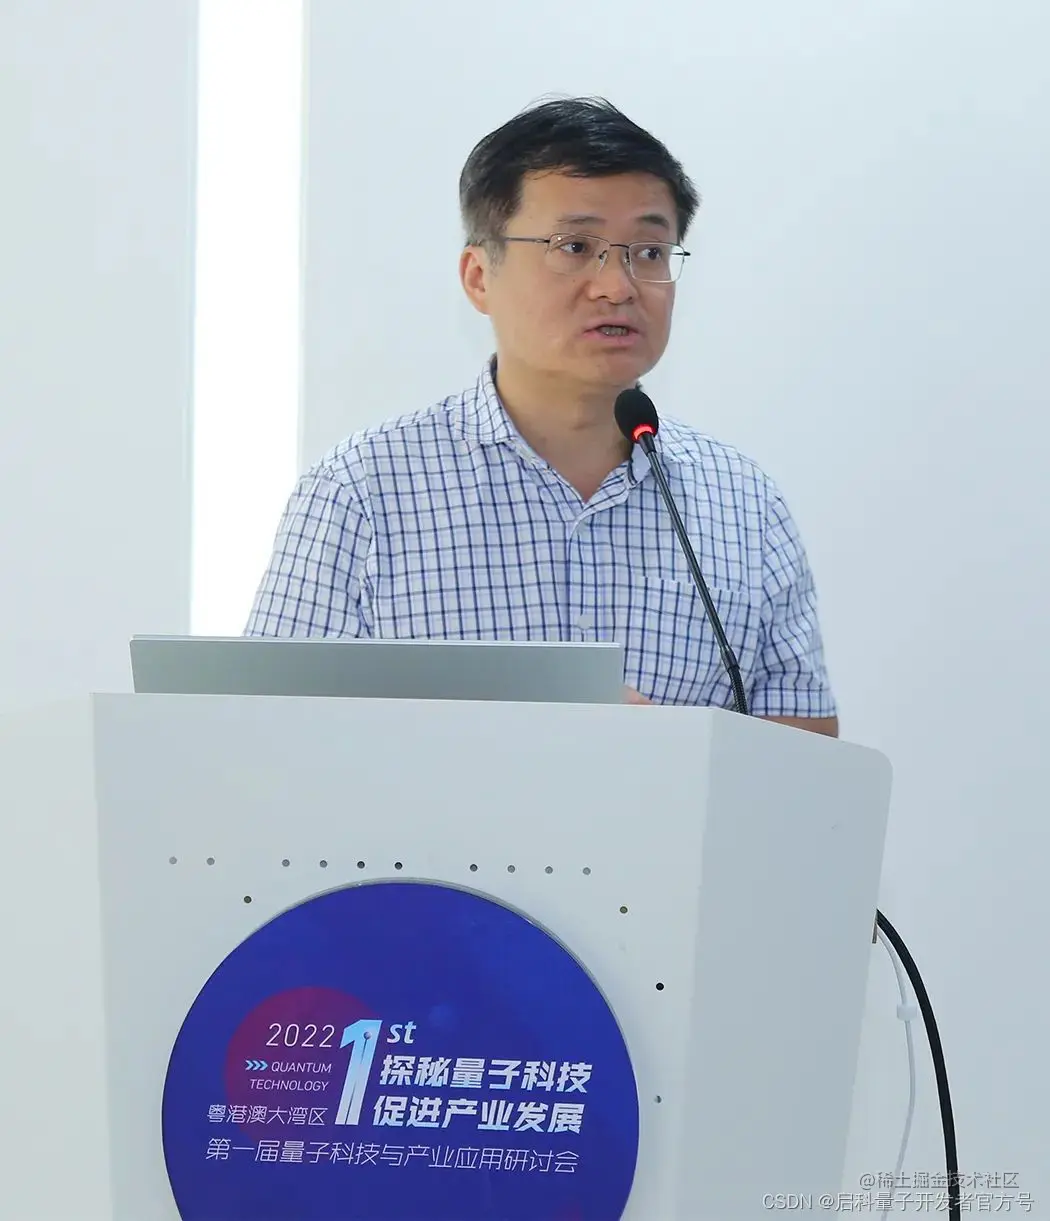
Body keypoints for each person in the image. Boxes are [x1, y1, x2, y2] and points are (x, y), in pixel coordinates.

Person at [245, 96, 838, 736]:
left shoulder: (744, 505)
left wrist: (665, 751)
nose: (617, 285)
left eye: (649, 252)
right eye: (575, 246)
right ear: (479, 277)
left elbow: (806, 767)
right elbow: (262, 742)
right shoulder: (360, 493)